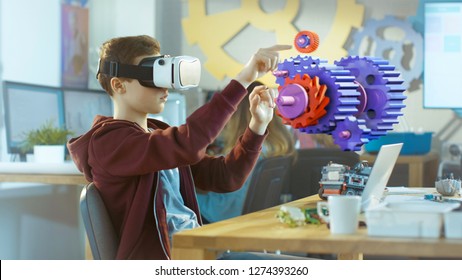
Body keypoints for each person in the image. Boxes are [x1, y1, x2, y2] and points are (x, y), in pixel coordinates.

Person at [67, 34, 291, 260]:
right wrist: (243, 79)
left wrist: (257, 125)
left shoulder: (155, 134)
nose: (164, 87)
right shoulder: (109, 143)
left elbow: (226, 177)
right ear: (119, 85)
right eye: (153, 77)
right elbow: (188, 143)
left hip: (196, 250)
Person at [197, 81, 297, 223]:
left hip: (223, 214)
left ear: (237, 114)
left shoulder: (246, 153)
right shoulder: (276, 147)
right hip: (247, 215)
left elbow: (218, 176)